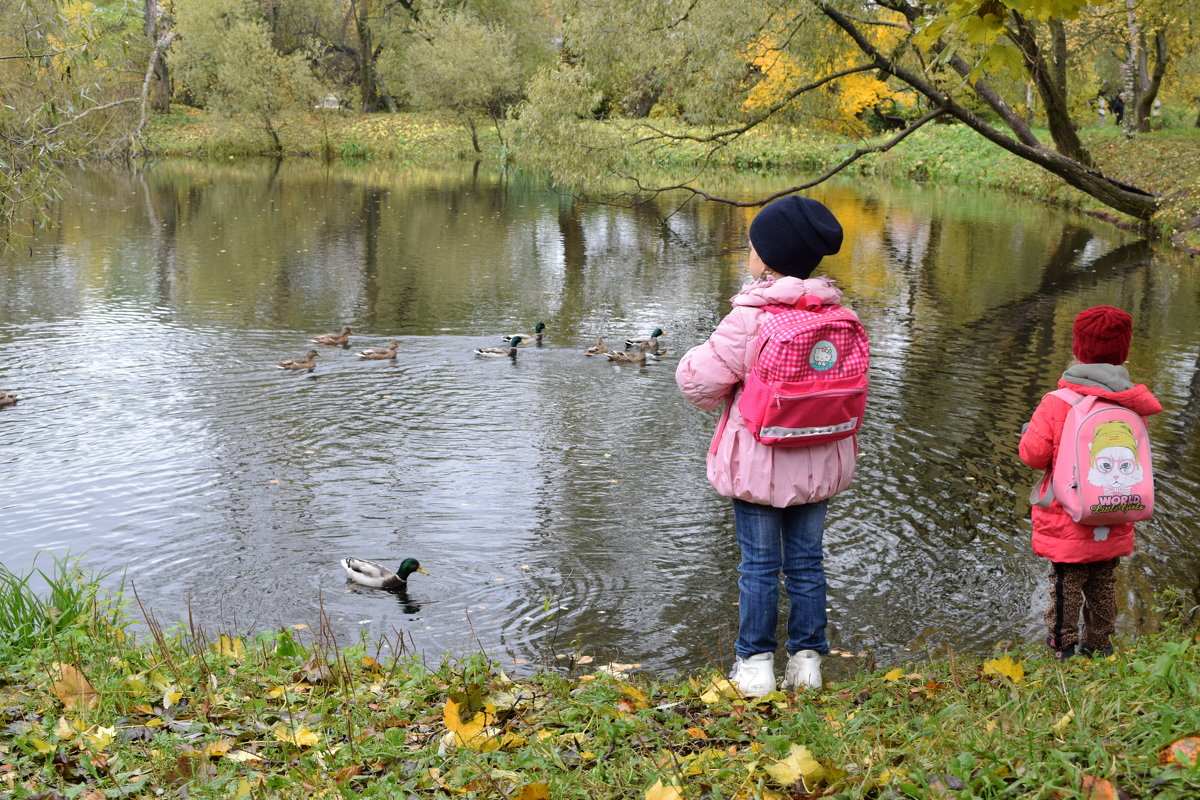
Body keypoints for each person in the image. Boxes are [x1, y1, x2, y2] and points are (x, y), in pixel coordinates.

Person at [676, 196, 859, 696]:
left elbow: (698, 384)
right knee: (806, 562)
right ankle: (807, 662)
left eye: (754, 244)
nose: (749, 250)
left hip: (759, 464)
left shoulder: (752, 316)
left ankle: (755, 666)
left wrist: (696, 352)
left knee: (758, 564)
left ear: (767, 256)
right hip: (820, 461)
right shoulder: (839, 313)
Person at [1018, 306, 1162, 659]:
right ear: (1124, 352)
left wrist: (1026, 434)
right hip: (1114, 510)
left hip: (1069, 517)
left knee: (1066, 584)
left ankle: (1062, 646)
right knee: (1104, 582)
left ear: (1078, 349)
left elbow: (1034, 455)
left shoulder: (1058, 402)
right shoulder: (1131, 404)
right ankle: (1100, 644)